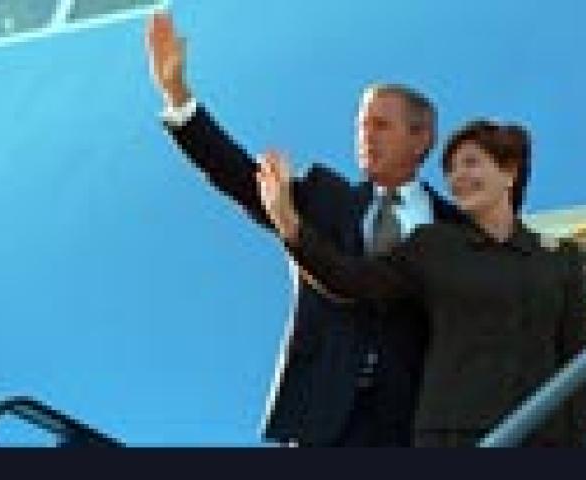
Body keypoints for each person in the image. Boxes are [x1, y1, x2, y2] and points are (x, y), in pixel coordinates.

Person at [145, 13, 467, 446]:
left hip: (414, 423)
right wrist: (178, 96)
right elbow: (237, 174)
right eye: (361, 125)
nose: (366, 136)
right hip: (323, 418)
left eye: (381, 125)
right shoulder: (321, 198)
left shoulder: (454, 227)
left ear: (422, 136)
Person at [256, 119, 586, 446]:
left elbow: (575, 361)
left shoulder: (561, 260)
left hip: (543, 437)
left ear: (509, 172)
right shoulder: (433, 247)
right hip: (450, 436)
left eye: (471, 163)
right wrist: (291, 226)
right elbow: (353, 280)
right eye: (451, 170)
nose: (458, 178)